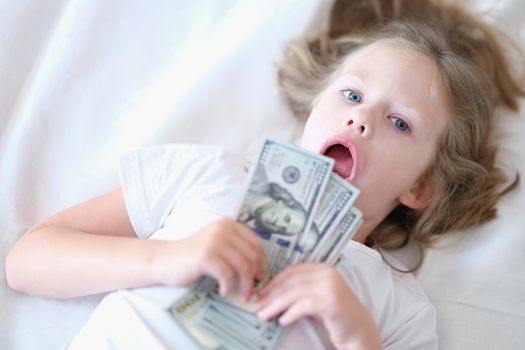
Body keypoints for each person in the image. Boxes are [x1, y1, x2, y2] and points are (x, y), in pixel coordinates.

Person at [5, 0, 523, 349]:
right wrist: (165, 260)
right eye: (352, 94)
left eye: (399, 122)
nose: (360, 118)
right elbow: (28, 261)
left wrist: (356, 334)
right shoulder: (208, 173)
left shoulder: (397, 306)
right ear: (313, 107)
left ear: (420, 187)